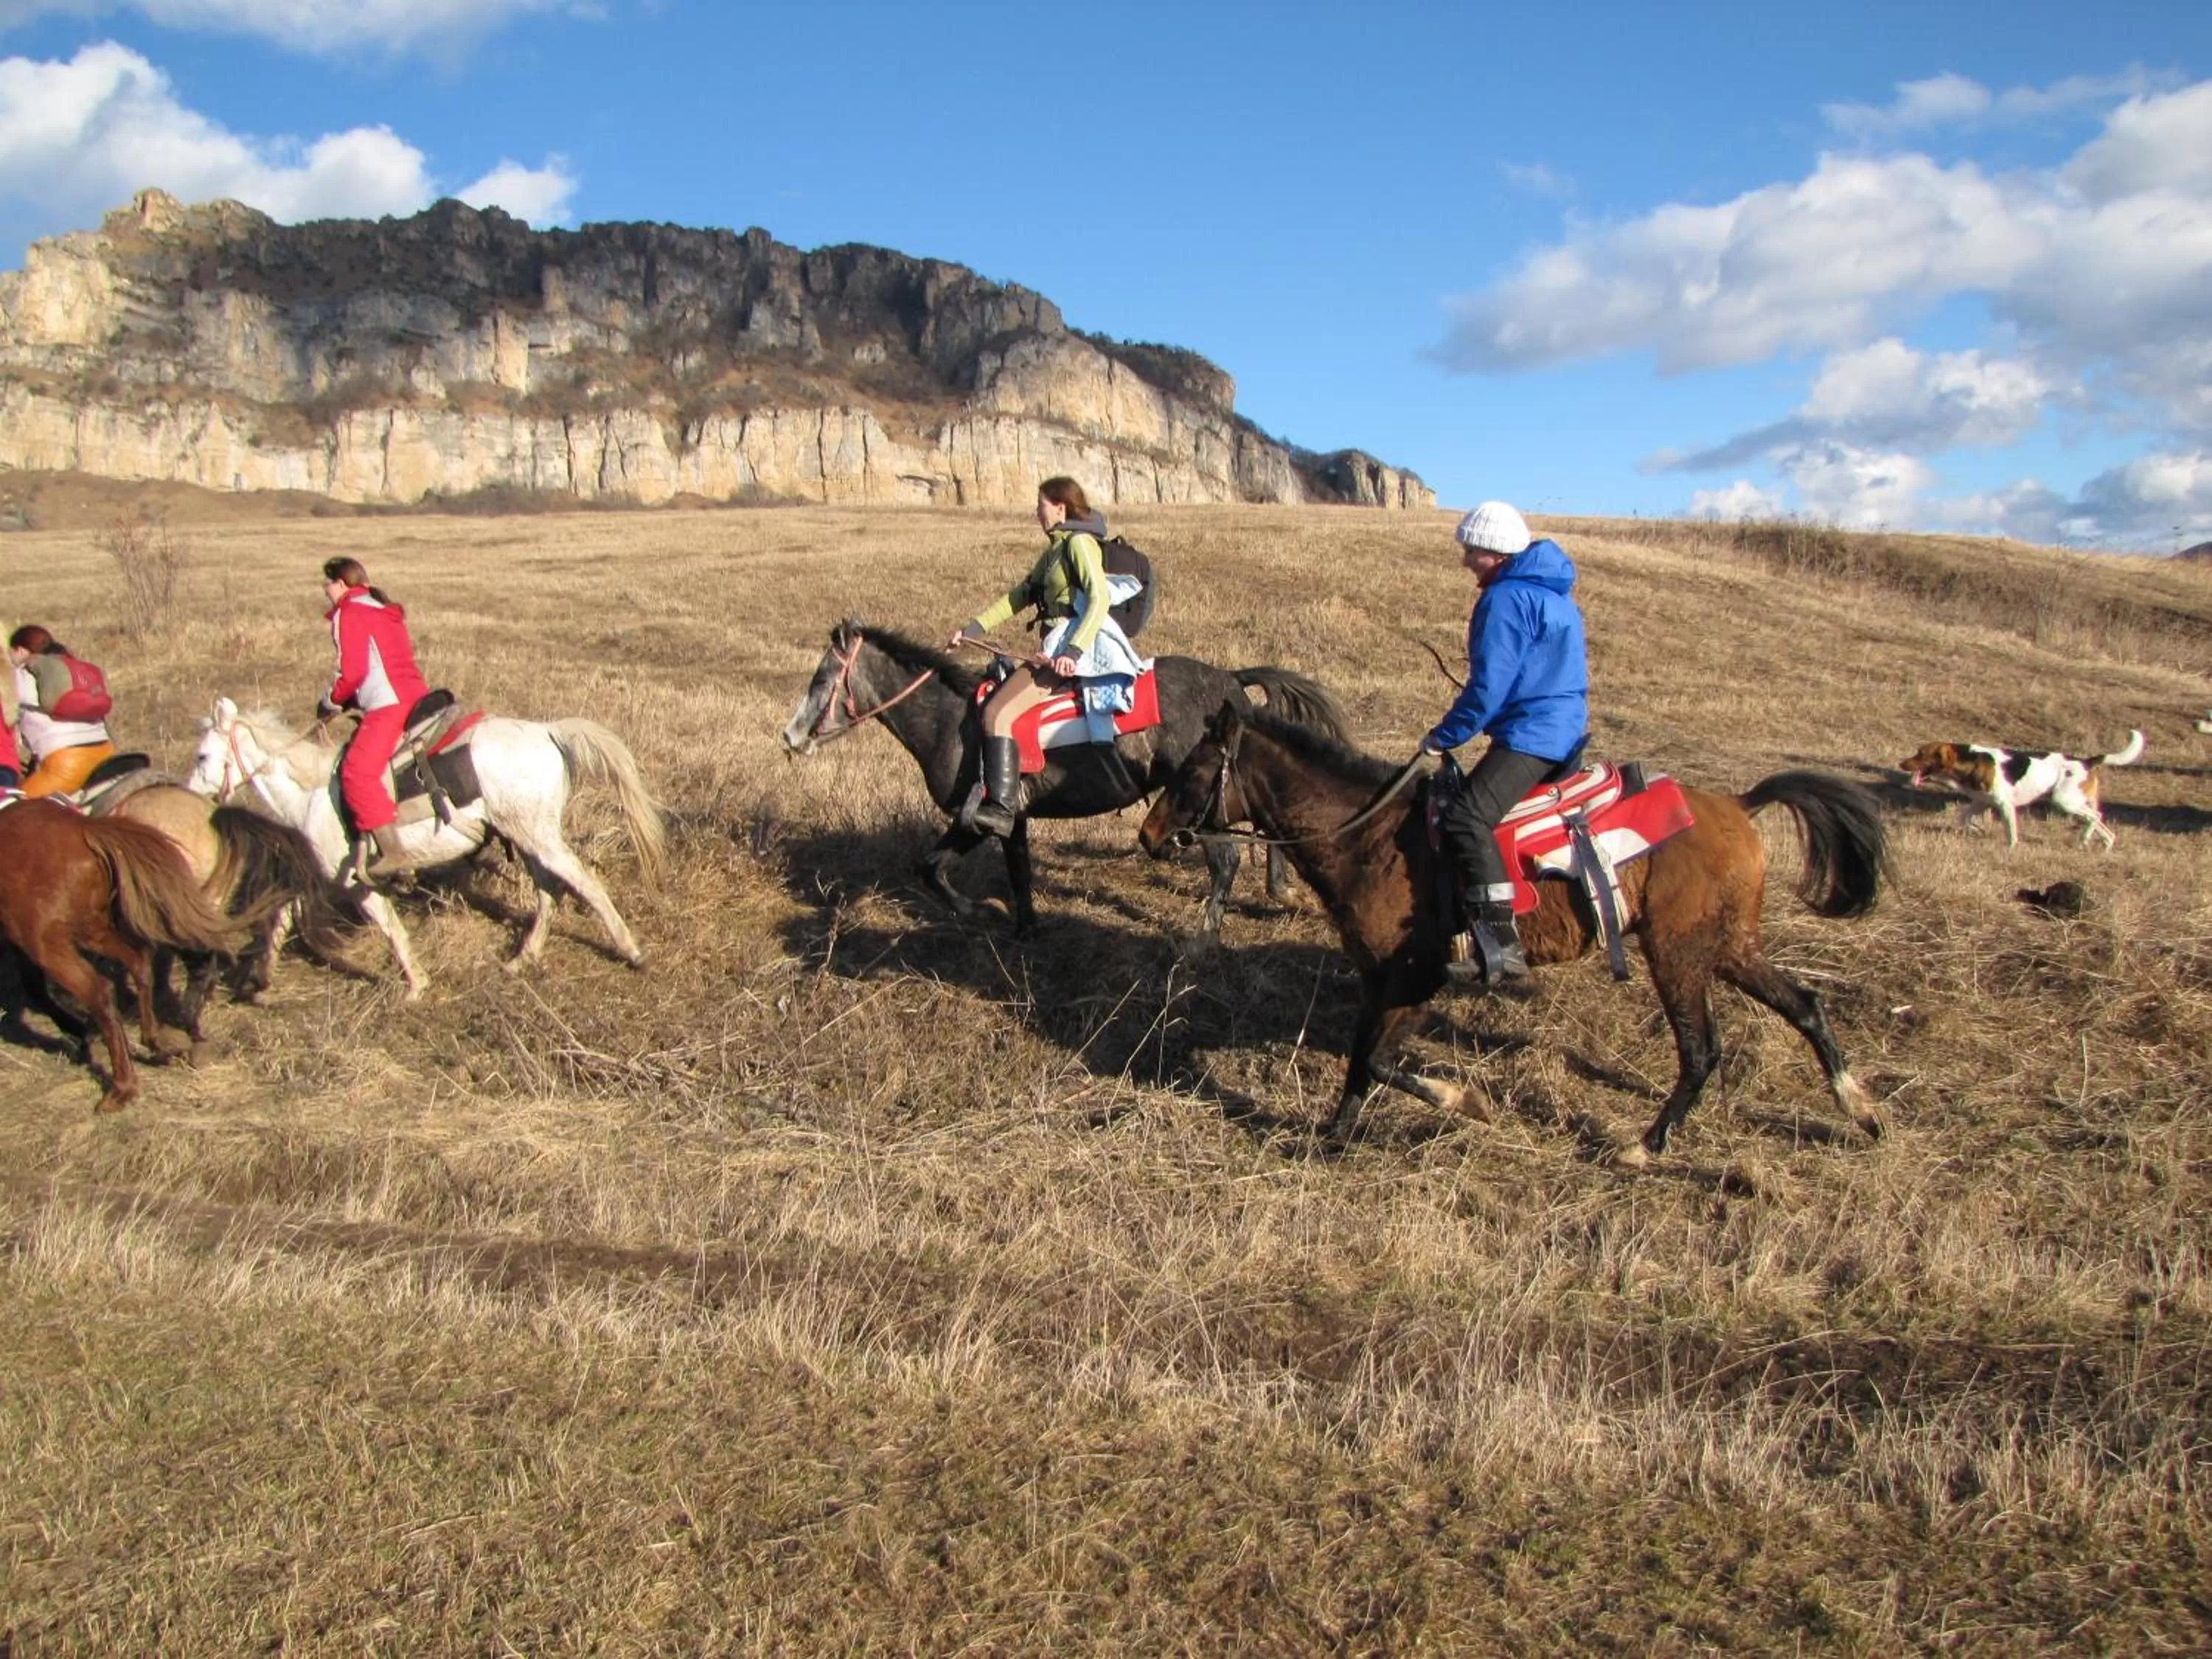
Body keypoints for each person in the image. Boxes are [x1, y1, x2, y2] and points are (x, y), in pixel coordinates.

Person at [1419, 501, 1590, 984]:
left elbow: (1489, 688)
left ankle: (1502, 946)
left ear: (1496, 552)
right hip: (1558, 727)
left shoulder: (1506, 599)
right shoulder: (1551, 593)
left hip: (1534, 734)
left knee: (1466, 818)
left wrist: (1442, 737)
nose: (1466, 561)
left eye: (1472, 551)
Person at [947, 476, 1145, 836]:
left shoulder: (1079, 544)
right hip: (1055, 644)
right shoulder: (1055, 550)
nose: (1036, 513)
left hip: (1066, 647)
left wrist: (1073, 652)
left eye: (1041, 506)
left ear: (1060, 507)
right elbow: (1019, 596)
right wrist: (972, 630)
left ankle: (1002, 809)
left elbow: (1099, 598)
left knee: (995, 712)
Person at [319, 556, 429, 880]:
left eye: (327, 582)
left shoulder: (349, 612)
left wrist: (331, 701)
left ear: (341, 583)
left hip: (388, 705)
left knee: (357, 772)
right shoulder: (382, 608)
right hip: (416, 696)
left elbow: (352, 672)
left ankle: (394, 853)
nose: (324, 589)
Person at [8, 624, 117, 798]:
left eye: (11, 653)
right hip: (107, 755)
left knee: (12, 808)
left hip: (67, 763)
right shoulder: (70, 667)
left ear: (19, 651)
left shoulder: (22, 674)